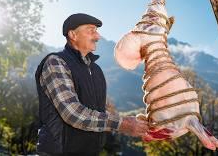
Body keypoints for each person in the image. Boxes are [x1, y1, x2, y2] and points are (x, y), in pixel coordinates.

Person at [35, 13, 149, 156]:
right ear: (73, 35)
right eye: (91, 31)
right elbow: (73, 113)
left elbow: (102, 111)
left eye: (97, 31)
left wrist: (138, 125)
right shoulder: (56, 62)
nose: (98, 36)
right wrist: (123, 124)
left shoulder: (96, 70)